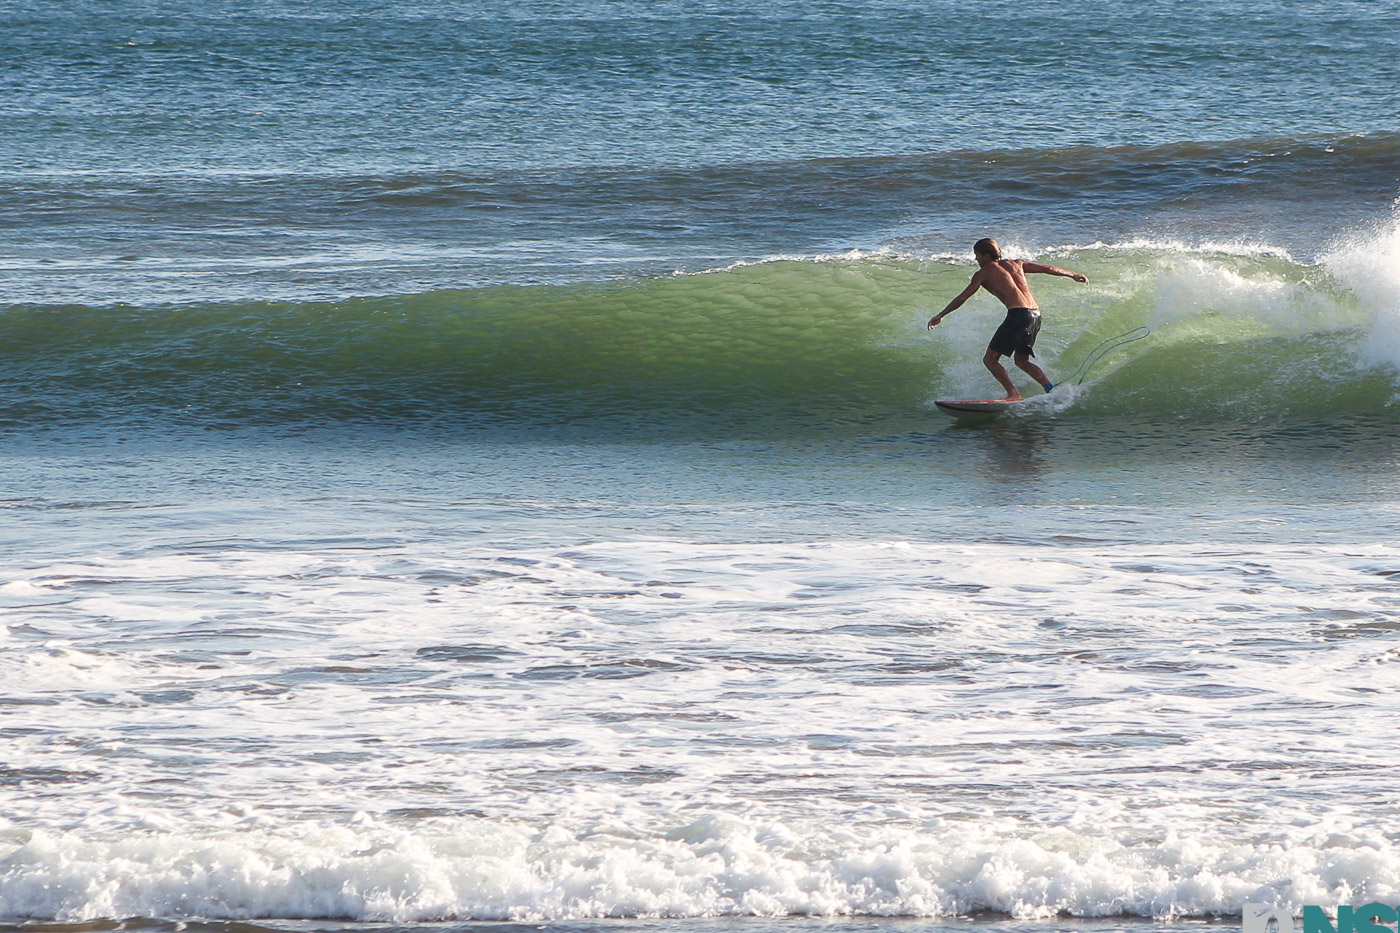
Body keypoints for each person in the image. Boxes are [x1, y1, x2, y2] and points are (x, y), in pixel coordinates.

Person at [927, 238, 1089, 400]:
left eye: (977, 255)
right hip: (1035, 314)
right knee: (1021, 361)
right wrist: (1072, 274)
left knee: (990, 360)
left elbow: (962, 297)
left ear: (987, 255)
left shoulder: (983, 273)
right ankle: (1049, 388)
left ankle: (1013, 393)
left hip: (1018, 315)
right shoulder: (1017, 263)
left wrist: (941, 315)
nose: (976, 259)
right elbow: (1047, 268)